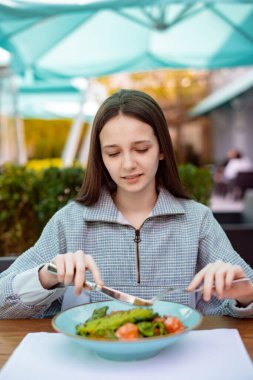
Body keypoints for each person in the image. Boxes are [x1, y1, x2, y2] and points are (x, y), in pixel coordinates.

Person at [0, 89, 253, 319]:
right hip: (92, 363)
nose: (128, 164)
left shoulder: (197, 220)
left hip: (176, 359)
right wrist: (47, 277)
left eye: (141, 149)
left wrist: (244, 295)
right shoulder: (70, 222)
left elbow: (244, 292)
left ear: (162, 150)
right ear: (101, 157)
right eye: (113, 153)